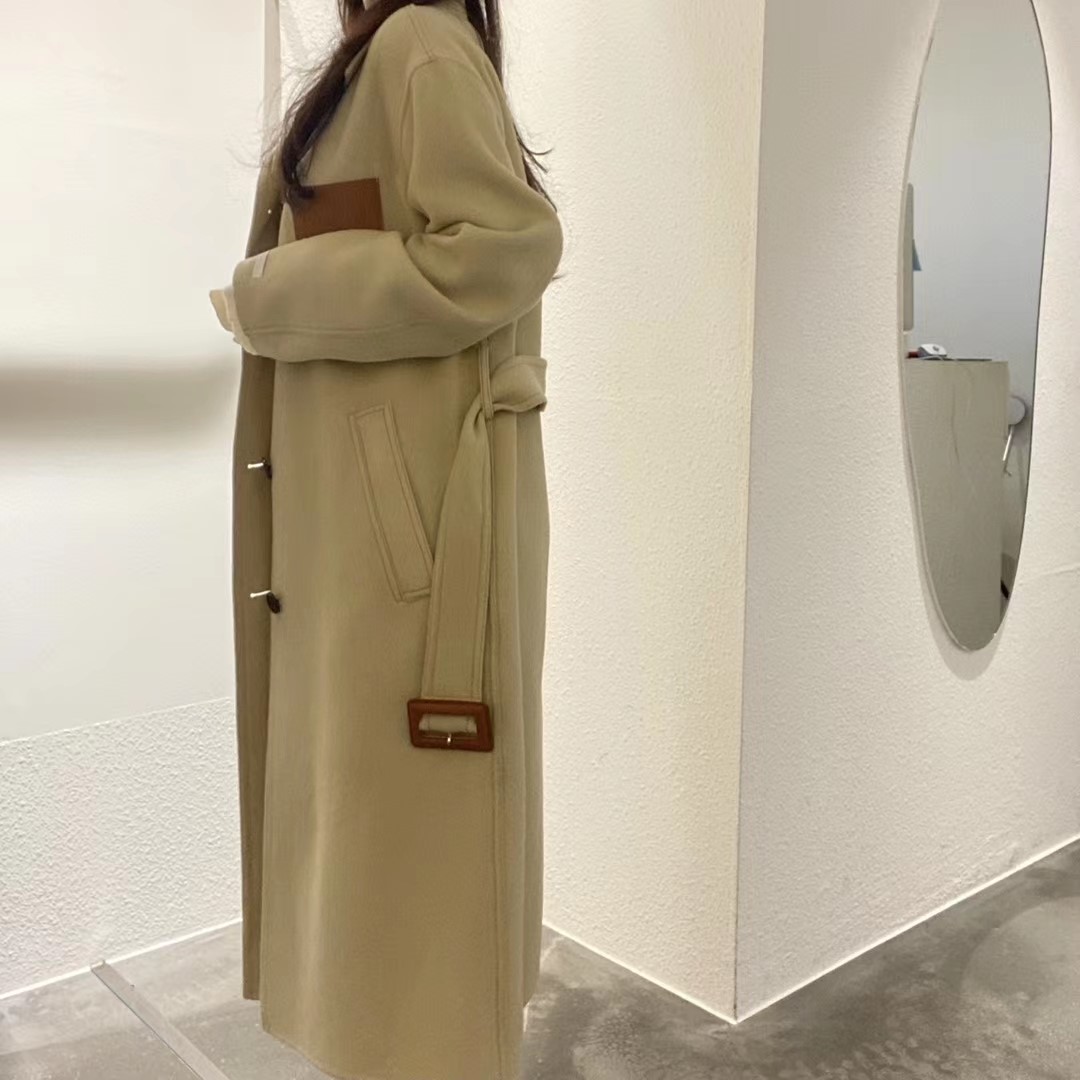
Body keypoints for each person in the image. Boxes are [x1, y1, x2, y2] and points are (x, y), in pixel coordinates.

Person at [209, 2, 563, 1078]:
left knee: (415, 857)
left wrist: (269, 287)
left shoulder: (419, 44)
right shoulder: (387, 55)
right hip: (370, 539)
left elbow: (506, 248)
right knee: (378, 848)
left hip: (409, 549)